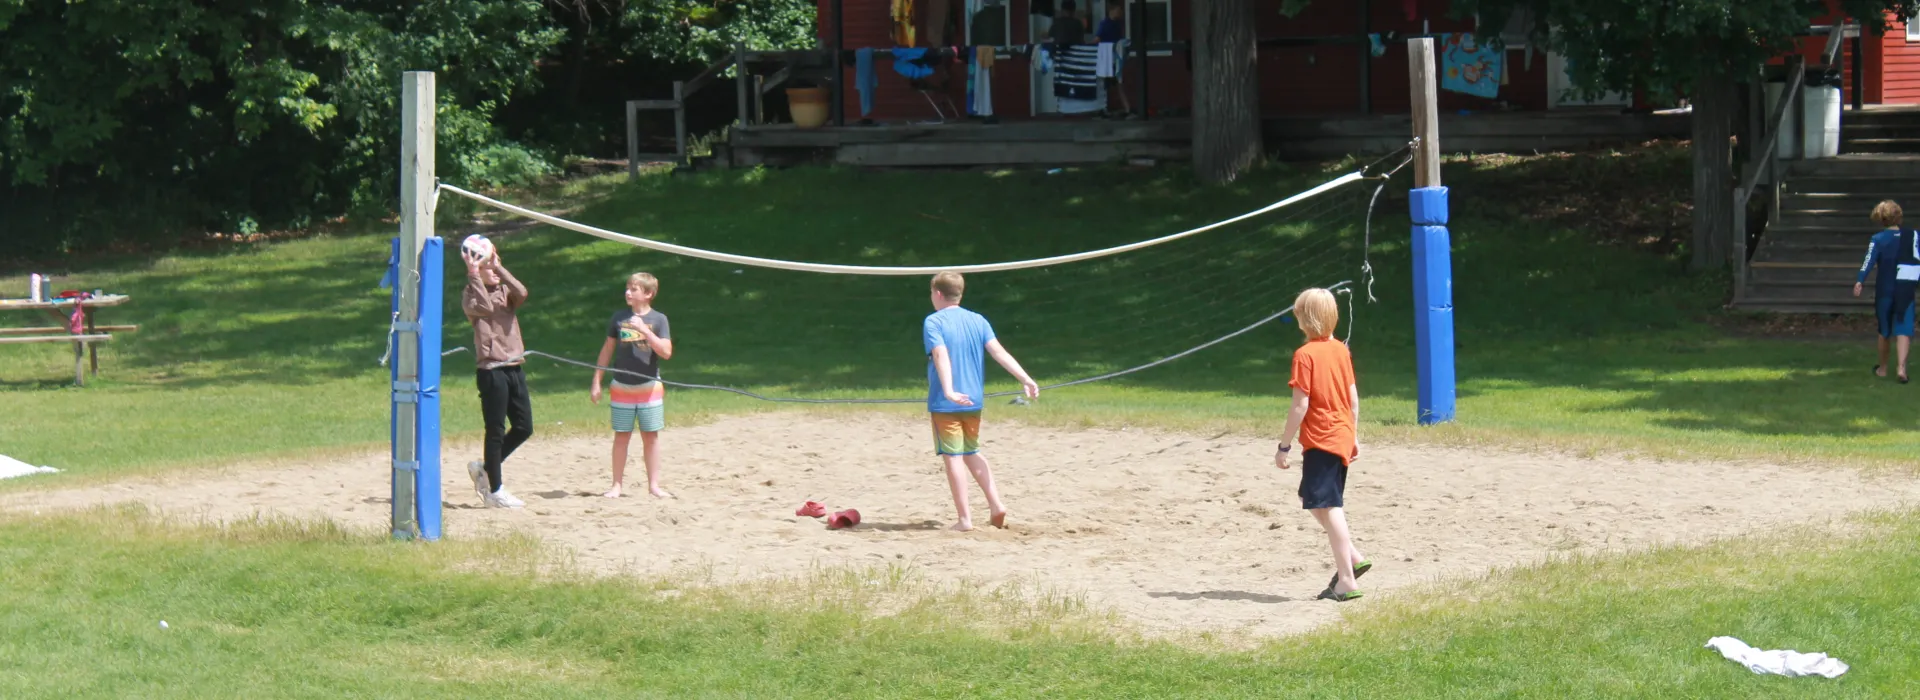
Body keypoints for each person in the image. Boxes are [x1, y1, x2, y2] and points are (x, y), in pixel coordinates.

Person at [922, 271, 1040, 532]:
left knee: (953, 457)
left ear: (938, 294)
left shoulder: (933, 322)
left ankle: (964, 520)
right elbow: (999, 352)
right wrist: (1026, 378)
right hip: (974, 401)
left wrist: (950, 390)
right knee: (971, 453)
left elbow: (941, 355)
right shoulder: (978, 320)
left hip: (947, 402)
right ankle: (996, 504)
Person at [1273, 288, 1368, 602]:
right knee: (1312, 497)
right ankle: (1352, 556)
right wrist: (1352, 435)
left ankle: (1346, 580)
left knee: (1330, 506)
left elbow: (1300, 405)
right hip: (1339, 435)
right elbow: (1353, 399)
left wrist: (1284, 446)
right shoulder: (1340, 349)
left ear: (1304, 319)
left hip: (1323, 438)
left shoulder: (1305, 355)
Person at [461, 237, 532, 509]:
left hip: (514, 366)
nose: (489, 268)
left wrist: (498, 268)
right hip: (491, 370)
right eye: (485, 265)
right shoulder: (470, 294)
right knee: (495, 430)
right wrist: (474, 274)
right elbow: (485, 308)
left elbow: (522, 292)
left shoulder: (505, 291)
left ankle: (485, 468)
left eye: (492, 263)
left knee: (524, 426)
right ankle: (495, 490)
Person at [591, 273, 675, 498]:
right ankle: (616, 485)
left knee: (651, 435)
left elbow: (666, 352)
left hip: (649, 388)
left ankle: (654, 485)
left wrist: (645, 330)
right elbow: (607, 350)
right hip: (622, 387)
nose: (628, 292)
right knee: (621, 435)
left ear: (648, 294)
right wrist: (596, 381)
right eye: (627, 288)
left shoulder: (659, 319)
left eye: (634, 289)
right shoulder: (619, 318)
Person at [1856, 200, 1916, 383]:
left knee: (1884, 330)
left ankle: (1882, 368)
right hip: (1906, 287)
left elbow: (1869, 261)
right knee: (1904, 328)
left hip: (1885, 288)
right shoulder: (1913, 236)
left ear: (1881, 219)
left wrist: (1860, 280)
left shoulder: (1878, 239)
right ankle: (1901, 368)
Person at [1094, 4, 1132, 118]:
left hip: (1115, 58)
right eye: (1118, 10)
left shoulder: (1118, 24)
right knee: (1104, 85)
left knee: (1118, 83)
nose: (1120, 13)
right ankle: (1103, 109)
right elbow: (1097, 39)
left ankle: (1127, 108)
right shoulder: (1105, 24)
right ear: (1111, 10)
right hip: (1106, 59)